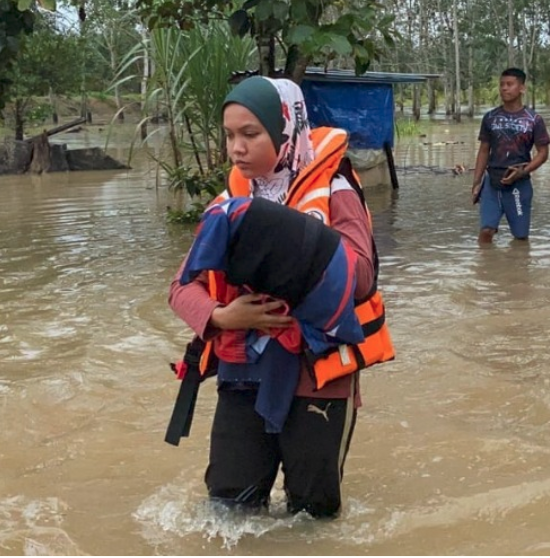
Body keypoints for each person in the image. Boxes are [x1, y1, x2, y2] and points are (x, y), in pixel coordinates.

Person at [167, 76, 393, 517]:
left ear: (285, 128)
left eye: (250, 134)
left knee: (312, 514)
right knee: (228, 509)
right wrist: (222, 316)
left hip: (317, 373)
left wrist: (278, 234)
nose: (237, 148)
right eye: (230, 135)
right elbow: (181, 287)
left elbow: (362, 278)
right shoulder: (228, 203)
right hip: (242, 371)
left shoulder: (336, 190)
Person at [470, 68, 550, 243]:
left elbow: (543, 153)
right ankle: (484, 260)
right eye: (502, 85)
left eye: (509, 84)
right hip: (492, 182)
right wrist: (476, 183)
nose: (504, 88)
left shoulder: (534, 119)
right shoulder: (490, 117)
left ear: (522, 88)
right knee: (486, 231)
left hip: (519, 184)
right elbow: (484, 150)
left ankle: (518, 262)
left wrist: (524, 171)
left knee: (520, 238)